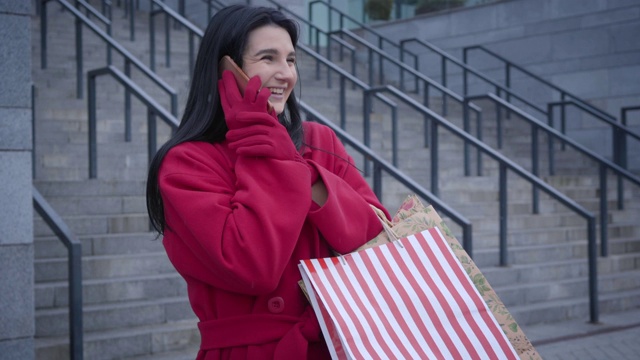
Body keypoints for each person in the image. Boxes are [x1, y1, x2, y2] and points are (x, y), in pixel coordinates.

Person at [146, 4, 389, 359]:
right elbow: (252, 266)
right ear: (226, 69)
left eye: (290, 60)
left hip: (344, 344)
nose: (285, 74)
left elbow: (377, 238)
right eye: (267, 58)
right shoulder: (186, 163)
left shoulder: (320, 140)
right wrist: (269, 160)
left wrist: (297, 169)